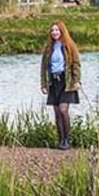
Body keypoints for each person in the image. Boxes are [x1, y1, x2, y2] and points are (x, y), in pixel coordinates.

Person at [39, 21, 81, 150]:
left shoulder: (69, 46)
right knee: (57, 112)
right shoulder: (48, 48)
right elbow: (44, 67)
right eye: (52, 30)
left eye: (57, 30)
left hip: (66, 81)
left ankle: (67, 140)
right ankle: (61, 140)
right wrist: (43, 84)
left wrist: (77, 80)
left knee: (63, 110)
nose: (54, 32)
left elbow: (76, 63)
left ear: (62, 31)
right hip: (53, 81)